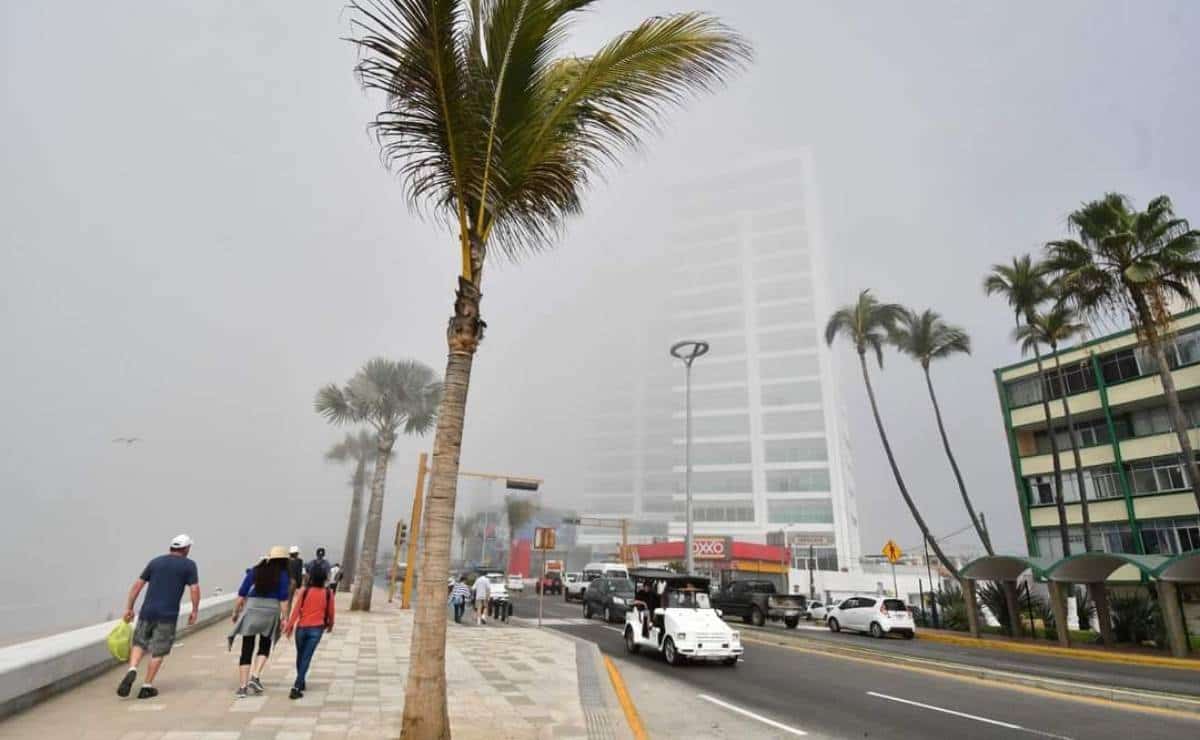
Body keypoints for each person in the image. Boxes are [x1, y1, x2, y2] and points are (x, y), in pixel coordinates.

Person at [116, 534, 200, 700]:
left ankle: (132, 669)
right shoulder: (189, 565)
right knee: (158, 650)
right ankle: (146, 686)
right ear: (186, 549)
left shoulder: (156, 562)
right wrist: (195, 610)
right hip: (167, 615)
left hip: (147, 611)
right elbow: (195, 589)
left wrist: (129, 608)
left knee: (139, 643)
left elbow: (137, 586)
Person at [228, 546, 290, 698]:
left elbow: (242, 594)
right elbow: (283, 599)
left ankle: (242, 687)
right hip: (271, 612)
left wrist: (235, 612)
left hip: (252, 610)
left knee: (246, 648)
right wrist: (285, 618)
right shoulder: (283, 575)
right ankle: (255, 676)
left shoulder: (255, 571)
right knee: (264, 645)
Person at [284, 565, 335, 699]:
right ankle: (297, 686)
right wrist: (330, 625)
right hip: (316, 629)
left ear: (310, 576)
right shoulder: (328, 593)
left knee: (301, 656)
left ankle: (299, 682)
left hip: (301, 629)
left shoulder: (305, 591)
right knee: (305, 657)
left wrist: (289, 626)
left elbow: (295, 610)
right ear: (324, 577)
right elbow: (331, 612)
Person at [286, 545, 303, 610]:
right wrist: (299, 585)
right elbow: (299, 573)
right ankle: (286, 618)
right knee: (289, 601)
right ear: (296, 554)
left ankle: (280, 617)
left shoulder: (286, 561)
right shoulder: (299, 561)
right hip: (293, 582)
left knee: (282, 600)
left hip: (285, 581)